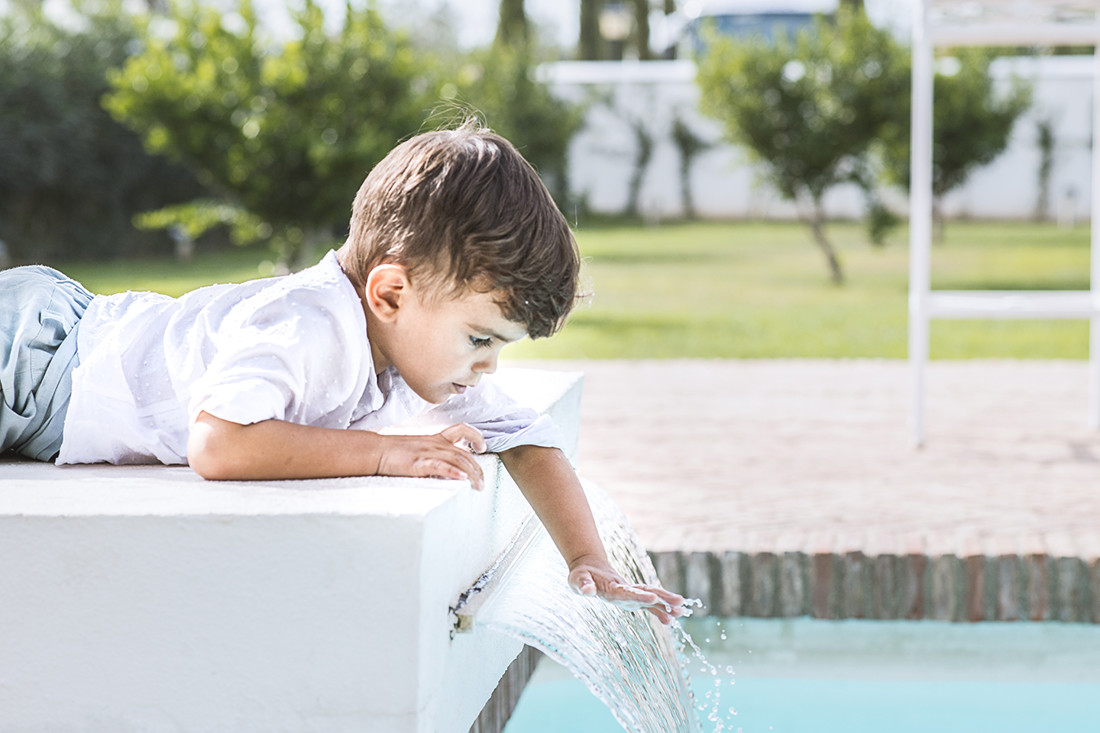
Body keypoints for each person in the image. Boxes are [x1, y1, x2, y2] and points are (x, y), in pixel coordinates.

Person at [0, 124, 685, 623]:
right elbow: (220, 442)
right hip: (36, 362)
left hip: (55, 358)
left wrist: (586, 559)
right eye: (480, 338)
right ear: (390, 294)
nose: (487, 367)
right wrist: (386, 453)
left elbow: (531, 439)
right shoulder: (315, 325)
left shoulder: (410, 349)